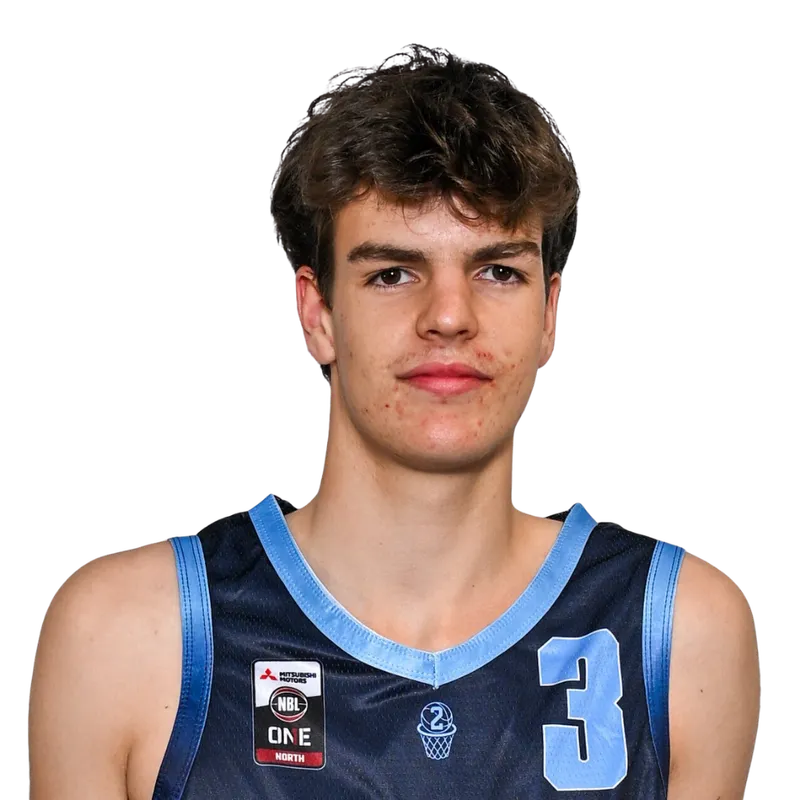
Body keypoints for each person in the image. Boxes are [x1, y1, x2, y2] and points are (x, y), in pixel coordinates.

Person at [28, 44, 761, 799]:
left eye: (498, 271)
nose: (448, 315)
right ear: (317, 314)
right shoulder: (130, 636)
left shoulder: (675, 632)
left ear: (551, 316)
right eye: (392, 273)